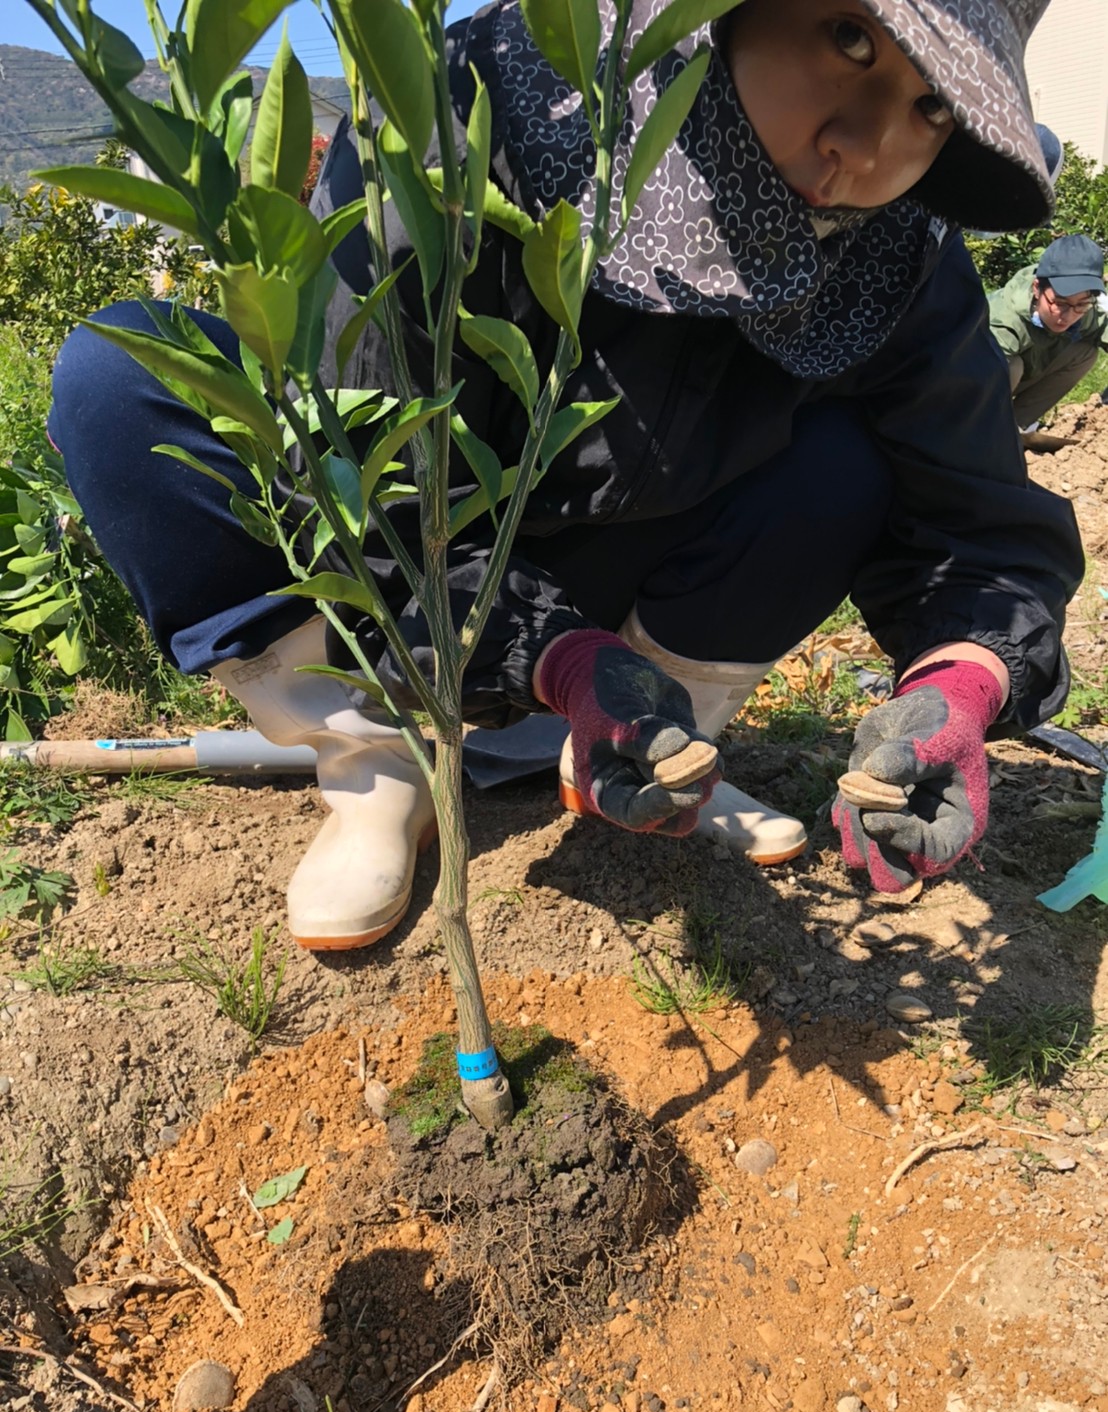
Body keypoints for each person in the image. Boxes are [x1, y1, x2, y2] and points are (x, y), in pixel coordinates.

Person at [48, 0, 1084, 950]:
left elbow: (975, 514)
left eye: (932, 105)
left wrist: (961, 683)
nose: (863, 145)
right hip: (410, 590)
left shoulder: (896, 254)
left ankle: (665, 742)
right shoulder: (491, 110)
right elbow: (367, 472)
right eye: (848, 39)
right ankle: (379, 763)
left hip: (634, 579)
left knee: (842, 465)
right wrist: (558, 660)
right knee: (124, 378)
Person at [989, 233, 1108, 429]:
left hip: (1025, 371)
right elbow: (966, 382)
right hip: (963, 386)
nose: (1068, 315)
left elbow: (1103, 327)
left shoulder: (1082, 310)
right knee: (1011, 365)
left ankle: (1014, 427)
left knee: (1085, 353)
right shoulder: (1002, 322)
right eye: (1060, 303)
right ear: (1037, 288)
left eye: (1081, 305)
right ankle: (984, 428)